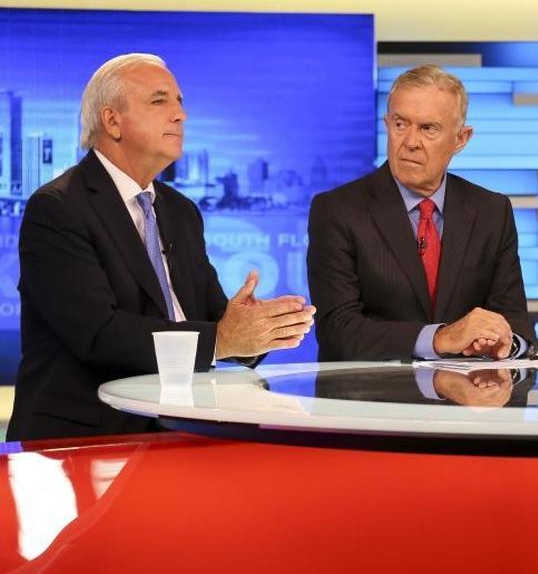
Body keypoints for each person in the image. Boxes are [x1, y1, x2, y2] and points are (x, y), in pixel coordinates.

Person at [9, 53, 316, 441]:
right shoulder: (58, 208)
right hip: (84, 438)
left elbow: (210, 317)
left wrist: (256, 331)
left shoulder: (180, 211)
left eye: (180, 102)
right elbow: (98, 336)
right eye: (160, 101)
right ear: (112, 121)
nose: (180, 115)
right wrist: (223, 339)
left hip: (180, 431)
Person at [308, 64, 536, 376]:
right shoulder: (338, 210)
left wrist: (502, 343)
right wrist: (441, 338)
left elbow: (517, 323)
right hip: (369, 405)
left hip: (467, 409)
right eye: (401, 124)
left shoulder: (491, 211)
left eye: (428, 128)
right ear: (387, 124)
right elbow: (339, 330)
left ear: (461, 139)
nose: (411, 141)